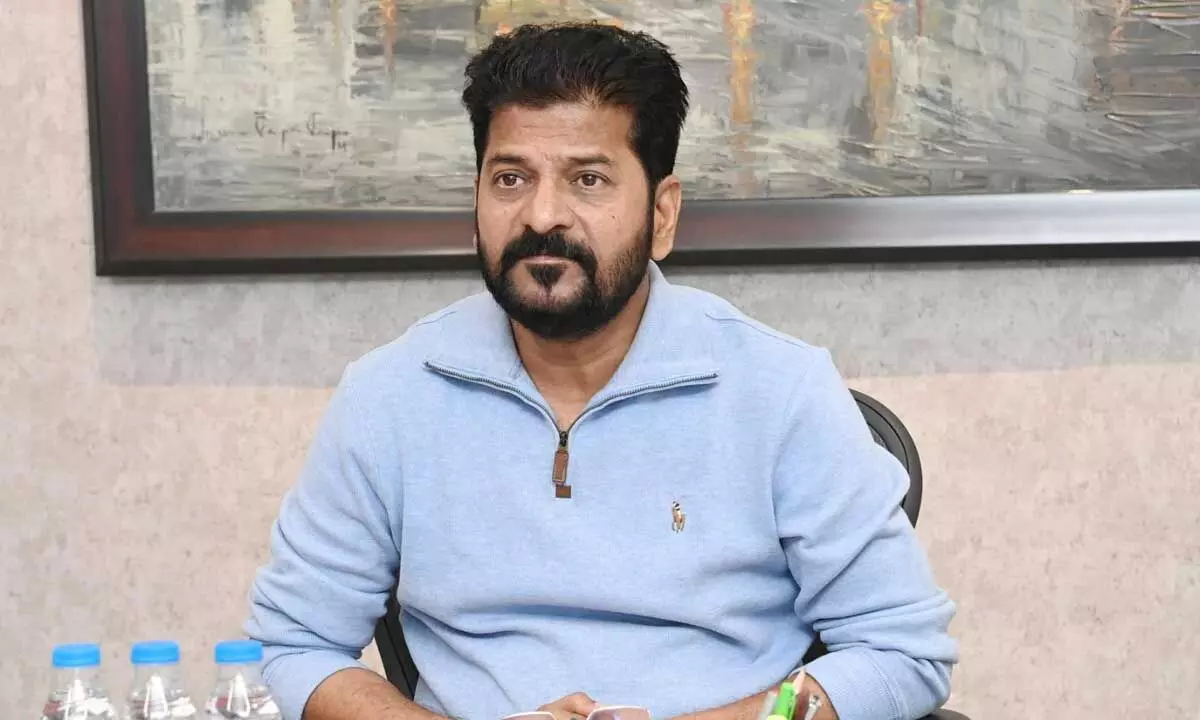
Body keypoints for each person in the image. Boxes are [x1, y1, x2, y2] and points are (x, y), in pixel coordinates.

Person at [245, 22, 958, 720]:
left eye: (587, 179)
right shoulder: (389, 395)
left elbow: (901, 652)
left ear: (662, 214)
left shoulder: (781, 391)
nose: (541, 215)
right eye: (510, 178)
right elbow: (298, 642)